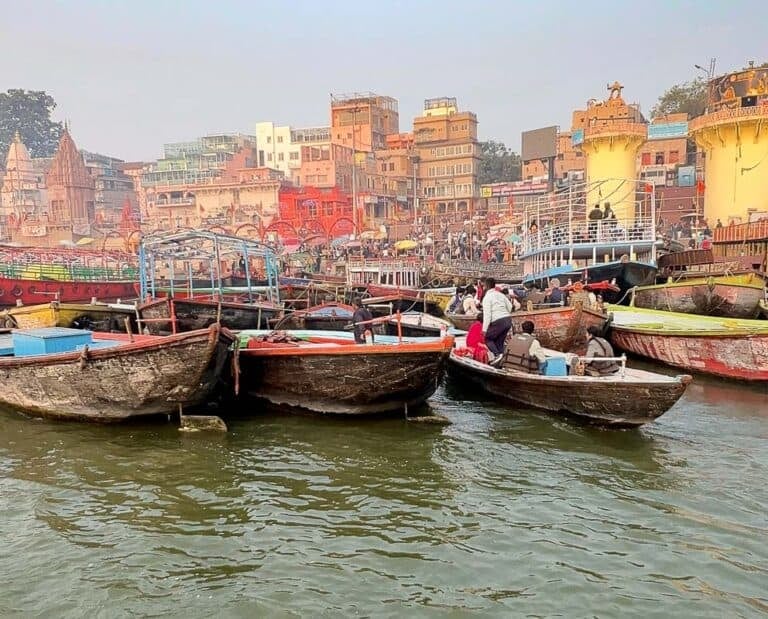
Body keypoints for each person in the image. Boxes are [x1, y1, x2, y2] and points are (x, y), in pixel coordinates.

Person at [481, 277, 513, 366]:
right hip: (508, 320)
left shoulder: (487, 298)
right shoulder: (500, 295)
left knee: (488, 338)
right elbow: (510, 307)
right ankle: (502, 363)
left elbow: (487, 315)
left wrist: (484, 330)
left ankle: (497, 355)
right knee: (499, 342)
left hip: (498, 320)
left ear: (486, 286)